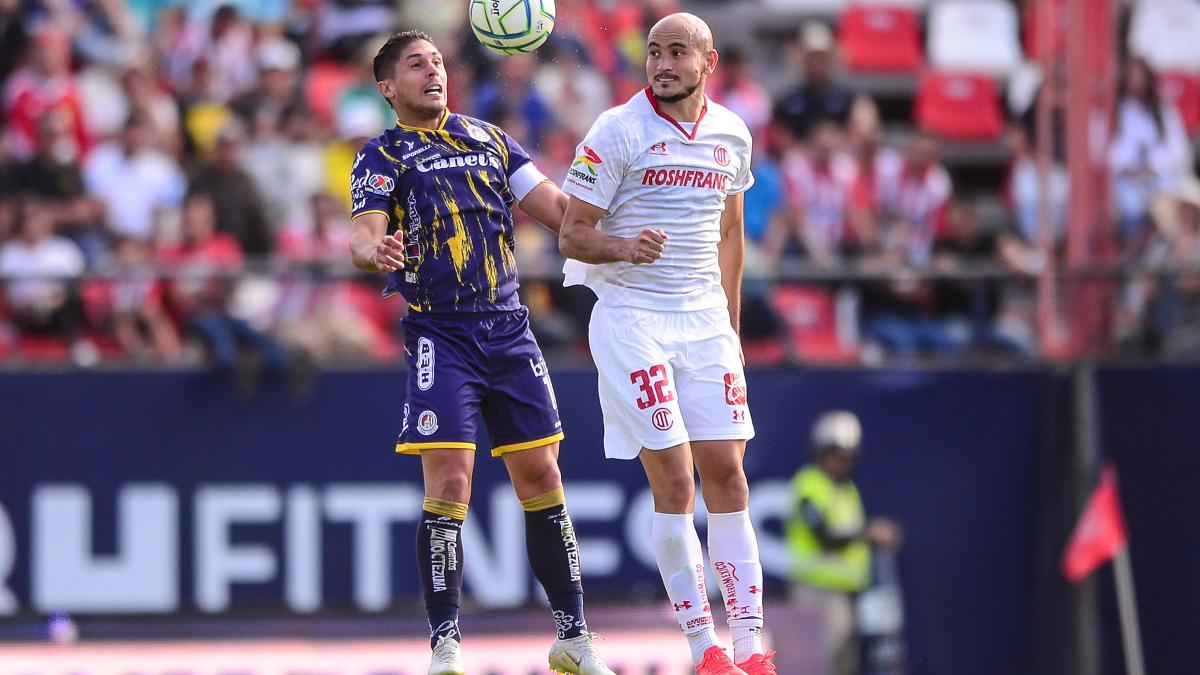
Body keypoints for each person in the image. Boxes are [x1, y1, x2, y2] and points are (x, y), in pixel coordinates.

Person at [347, 31, 613, 675]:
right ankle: (445, 646)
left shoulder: (490, 138)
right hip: (443, 335)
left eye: (437, 62)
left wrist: (615, 225)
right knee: (450, 481)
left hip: (510, 329)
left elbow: (555, 210)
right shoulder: (382, 156)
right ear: (387, 87)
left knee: (544, 477)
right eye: (416, 65)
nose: (432, 71)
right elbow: (363, 232)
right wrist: (373, 250)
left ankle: (573, 640)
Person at [558, 13, 776, 675]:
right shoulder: (618, 130)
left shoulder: (732, 133)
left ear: (708, 61)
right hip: (632, 316)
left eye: (678, 52)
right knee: (677, 479)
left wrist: (731, 329)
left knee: (729, 473)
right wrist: (625, 246)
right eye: (654, 52)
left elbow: (732, 232)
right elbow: (571, 233)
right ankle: (701, 646)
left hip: (704, 318)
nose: (663, 64)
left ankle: (750, 644)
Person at [786, 411, 902, 675]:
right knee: (817, 664)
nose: (840, 463)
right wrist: (868, 533)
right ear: (820, 452)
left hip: (845, 593)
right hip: (816, 593)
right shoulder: (809, 485)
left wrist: (873, 537)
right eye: (835, 455)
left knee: (844, 666)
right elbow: (824, 535)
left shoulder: (847, 489)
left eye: (846, 457)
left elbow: (851, 537)